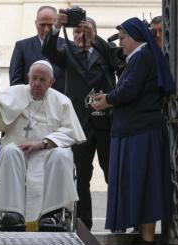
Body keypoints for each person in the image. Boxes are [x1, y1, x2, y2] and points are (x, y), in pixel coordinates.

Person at [91, 17, 174, 245]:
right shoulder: (137, 59)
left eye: (123, 37)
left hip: (142, 132)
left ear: (135, 37)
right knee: (136, 185)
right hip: (133, 131)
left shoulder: (143, 57)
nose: (121, 42)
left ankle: (148, 243)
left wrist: (108, 99)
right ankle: (142, 238)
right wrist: (110, 97)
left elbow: (129, 90)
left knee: (144, 184)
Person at [0, 60, 86, 231]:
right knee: (8, 152)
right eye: (34, 78)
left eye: (42, 80)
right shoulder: (15, 93)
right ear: (28, 78)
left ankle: (51, 214)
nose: (36, 83)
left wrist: (42, 143)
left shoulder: (62, 101)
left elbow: (71, 133)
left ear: (51, 82)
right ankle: (12, 213)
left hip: (48, 154)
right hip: (19, 151)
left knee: (63, 155)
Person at [42, 14, 116, 230]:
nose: (79, 36)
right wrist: (57, 27)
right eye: (76, 32)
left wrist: (95, 39)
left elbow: (116, 57)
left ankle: (118, 221)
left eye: (84, 31)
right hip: (78, 125)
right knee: (81, 177)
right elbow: (47, 50)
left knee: (113, 174)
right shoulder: (67, 53)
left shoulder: (104, 52)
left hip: (105, 124)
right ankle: (84, 224)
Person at [9, 6, 65, 93]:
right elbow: (15, 83)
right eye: (42, 25)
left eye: (50, 25)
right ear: (36, 23)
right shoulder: (22, 47)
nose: (46, 29)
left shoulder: (67, 46)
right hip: (30, 103)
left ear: (57, 23)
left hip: (60, 103)